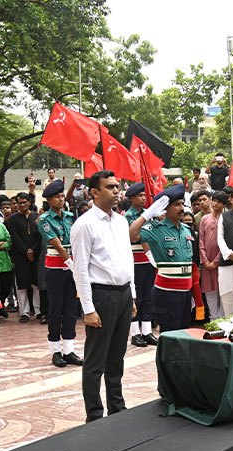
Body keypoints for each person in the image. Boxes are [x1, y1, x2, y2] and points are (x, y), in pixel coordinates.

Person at [71, 170, 135, 422]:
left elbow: (126, 260)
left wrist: (133, 296)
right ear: (94, 192)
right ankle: (95, 415)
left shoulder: (120, 222)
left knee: (117, 356)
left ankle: (116, 407)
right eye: (110, 187)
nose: (116, 191)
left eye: (117, 186)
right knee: (96, 360)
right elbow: (81, 269)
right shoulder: (84, 225)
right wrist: (88, 308)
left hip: (123, 294)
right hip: (101, 295)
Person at [130, 185, 195, 331]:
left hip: (185, 292)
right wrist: (146, 216)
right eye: (177, 205)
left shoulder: (185, 229)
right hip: (167, 292)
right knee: (169, 335)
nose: (182, 208)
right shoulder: (156, 229)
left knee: (184, 333)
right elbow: (131, 234)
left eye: (182, 204)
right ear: (165, 209)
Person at [39, 180, 81, 367]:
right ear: (48, 199)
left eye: (62, 196)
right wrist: (71, 264)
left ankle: (69, 349)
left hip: (71, 268)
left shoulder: (70, 217)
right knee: (56, 309)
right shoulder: (44, 220)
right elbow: (56, 243)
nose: (61, 199)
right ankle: (55, 350)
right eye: (57, 196)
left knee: (71, 309)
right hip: (56, 268)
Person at [123, 182, 156, 347]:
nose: (144, 198)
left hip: (148, 260)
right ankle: (135, 332)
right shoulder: (127, 216)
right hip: (135, 261)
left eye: (144, 195)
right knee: (137, 297)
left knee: (148, 296)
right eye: (140, 196)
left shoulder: (147, 214)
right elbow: (134, 237)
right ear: (132, 198)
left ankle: (147, 331)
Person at [7, 192, 42, 323]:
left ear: (29, 202)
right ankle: (24, 312)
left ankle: (37, 310)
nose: (22, 205)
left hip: (35, 254)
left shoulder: (36, 217)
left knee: (35, 284)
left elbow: (40, 236)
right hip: (20, 256)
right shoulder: (12, 219)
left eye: (24, 202)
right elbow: (15, 237)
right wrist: (27, 251)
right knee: (22, 285)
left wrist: (33, 250)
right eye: (19, 203)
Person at [199, 190, 226, 319]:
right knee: (210, 291)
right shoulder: (204, 219)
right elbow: (201, 241)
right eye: (214, 201)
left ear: (224, 204)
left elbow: (226, 242)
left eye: (219, 202)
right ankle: (213, 318)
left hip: (221, 263)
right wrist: (205, 260)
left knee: (223, 291)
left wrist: (216, 261)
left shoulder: (226, 219)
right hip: (206, 263)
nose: (215, 204)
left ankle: (221, 319)